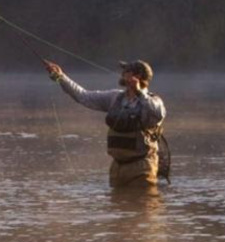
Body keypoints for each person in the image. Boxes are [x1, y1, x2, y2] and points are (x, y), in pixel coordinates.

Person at [44, 59, 167, 188]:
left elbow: (158, 114)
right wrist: (61, 77)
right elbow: (83, 96)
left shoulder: (154, 100)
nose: (123, 74)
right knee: (118, 205)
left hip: (142, 167)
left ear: (138, 76)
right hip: (117, 167)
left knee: (143, 204)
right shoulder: (115, 97)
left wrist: (139, 93)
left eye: (126, 71)